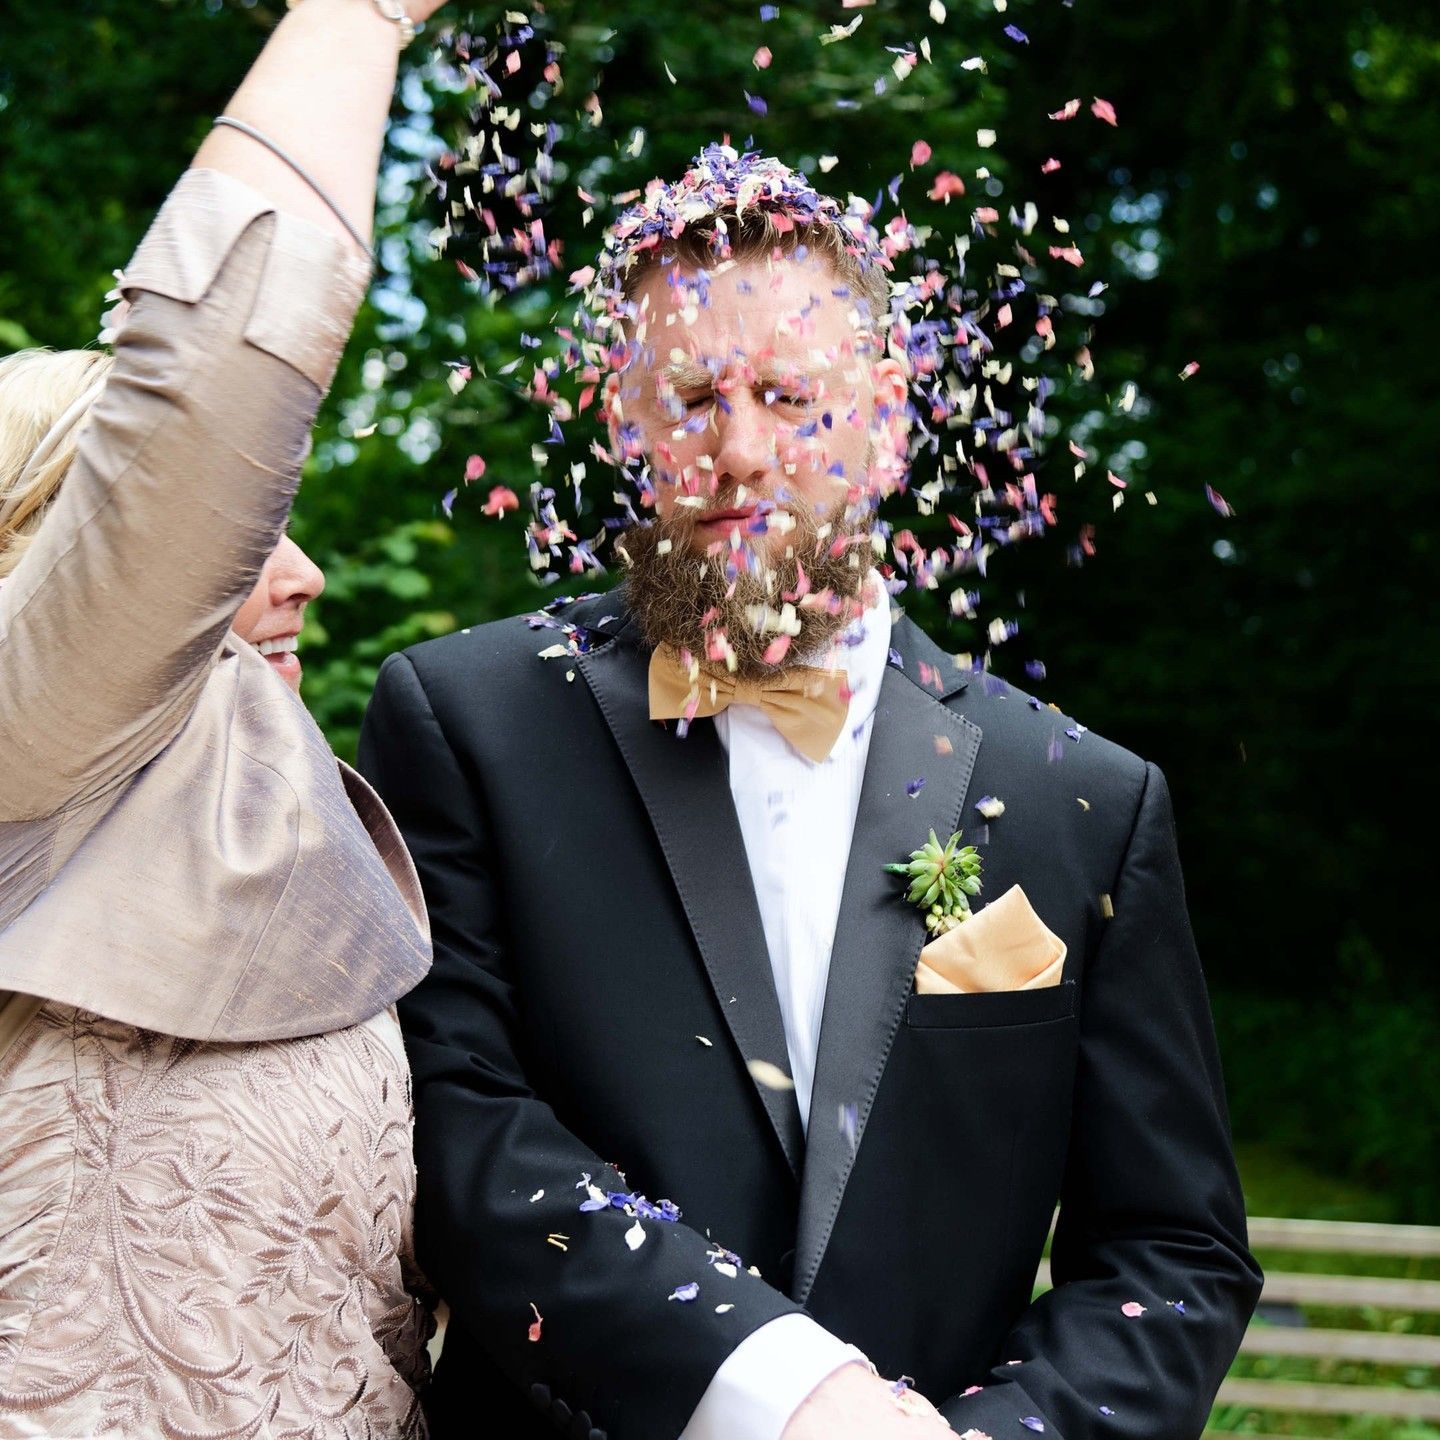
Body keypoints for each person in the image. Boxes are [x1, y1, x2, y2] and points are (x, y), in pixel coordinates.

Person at [360, 147, 1263, 1440]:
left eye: (788, 396)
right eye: (691, 398)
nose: (737, 450)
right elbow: (462, 1138)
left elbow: (1175, 1258)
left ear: (889, 416)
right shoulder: (467, 724)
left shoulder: (1083, 799)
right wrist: (788, 1394)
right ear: (626, 420)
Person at [0, 1, 453, 1434]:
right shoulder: (29, 736)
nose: (303, 578)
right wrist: (360, 18)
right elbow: (204, 398)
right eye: (229, 551)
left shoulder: (268, 809)